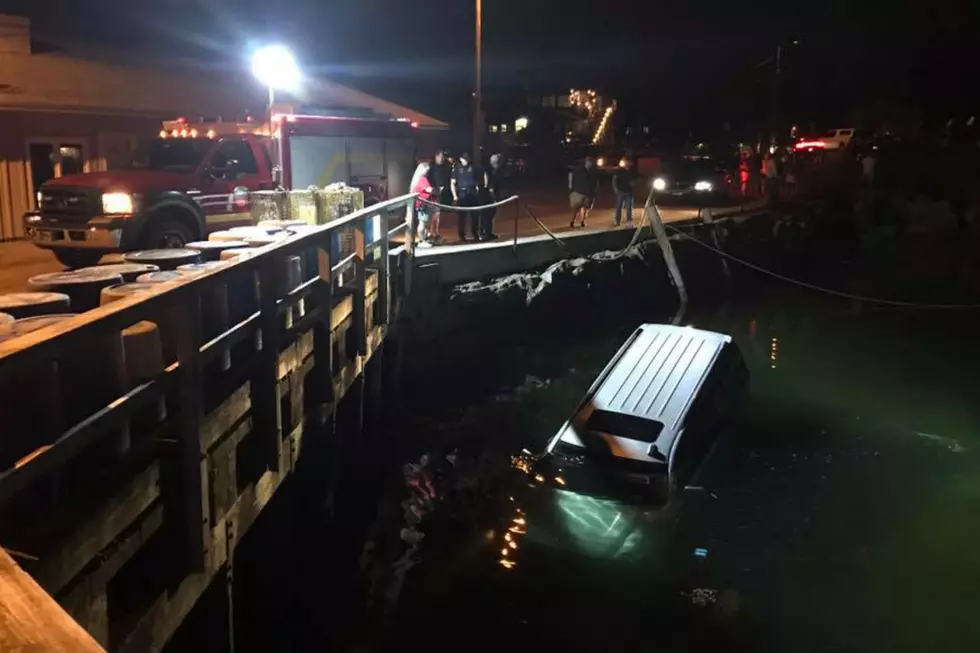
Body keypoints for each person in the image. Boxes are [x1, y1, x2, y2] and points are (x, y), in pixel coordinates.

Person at [451, 153, 482, 242]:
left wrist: (478, 189)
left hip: (472, 193)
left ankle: (475, 234)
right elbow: (452, 182)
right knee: (462, 217)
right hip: (462, 194)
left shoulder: (473, 167)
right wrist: (455, 196)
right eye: (463, 159)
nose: (465, 161)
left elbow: (480, 177)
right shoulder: (457, 168)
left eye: (466, 159)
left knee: (475, 215)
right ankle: (461, 236)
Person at [428, 150, 451, 242]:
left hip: (440, 193)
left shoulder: (445, 167)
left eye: (443, 157)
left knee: (437, 213)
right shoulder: (431, 167)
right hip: (431, 193)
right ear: (436, 157)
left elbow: (446, 179)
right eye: (440, 157)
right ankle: (430, 232)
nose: (441, 159)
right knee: (432, 214)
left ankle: (436, 232)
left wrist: (444, 187)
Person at [410, 162, 435, 247]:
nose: (427, 172)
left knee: (422, 222)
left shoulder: (416, 179)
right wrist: (437, 190)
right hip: (424, 204)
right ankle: (422, 240)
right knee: (423, 222)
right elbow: (429, 190)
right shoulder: (422, 179)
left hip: (419, 204)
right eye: (427, 171)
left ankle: (423, 239)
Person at [569, 156, 598, 228]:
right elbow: (571, 176)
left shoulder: (592, 171)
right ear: (586, 162)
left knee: (585, 209)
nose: (590, 164)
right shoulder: (579, 169)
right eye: (588, 162)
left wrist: (594, 192)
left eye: (591, 163)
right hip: (578, 192)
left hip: (587, 193)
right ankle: (572, 221)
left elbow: (595, 182)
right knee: (575, 209)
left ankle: (582, 222)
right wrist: (571, 187)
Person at [481, 153, 504, 240]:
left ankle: (487, 232)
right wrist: (494, 198)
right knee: (487, 215)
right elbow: (491, 186)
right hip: (489, 197)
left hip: (490, 195)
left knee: (489, 216)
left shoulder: (494, 171)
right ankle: (485, 233)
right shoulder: (492, 171)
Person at [612, 157, 638, 226]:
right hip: (621, 191)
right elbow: (614, 179)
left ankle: (628, 221)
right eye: (626, 162)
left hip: (629, 192)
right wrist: (615, 188)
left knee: (629, 207)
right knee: (618, 207)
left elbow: (636, 180)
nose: (628, 163)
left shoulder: (633, 171)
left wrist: (634, 183)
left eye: (629, 162)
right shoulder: (619, 170)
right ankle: (617, 221)